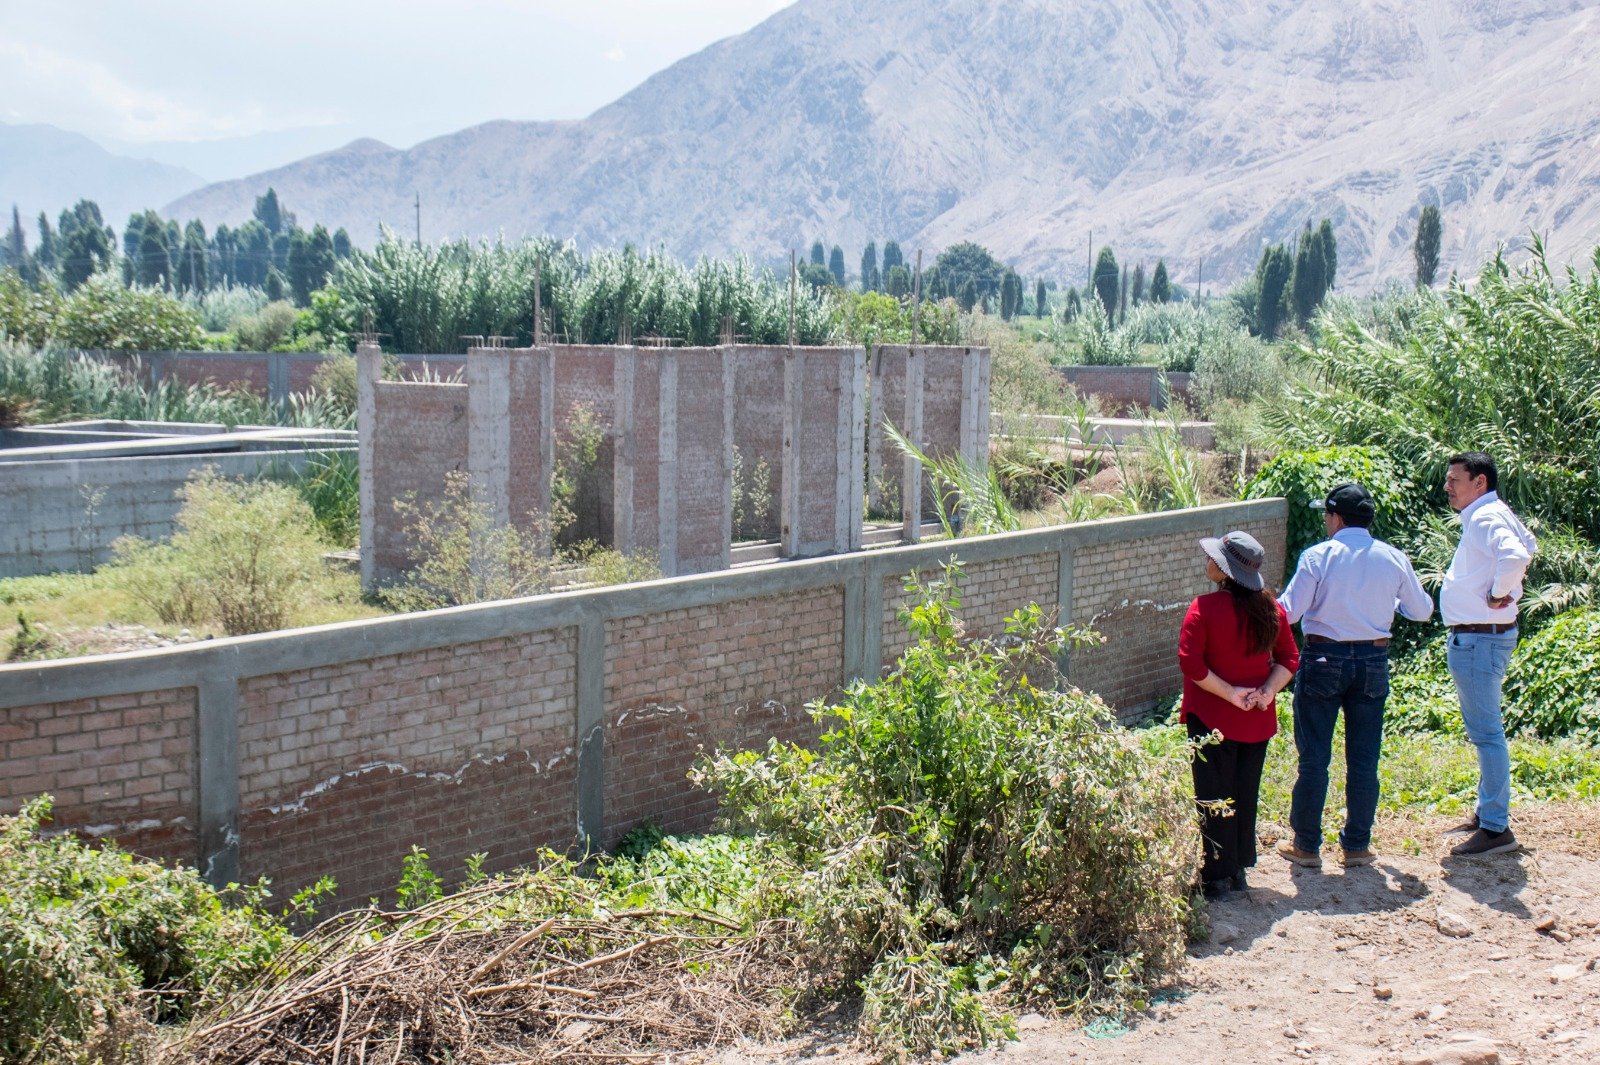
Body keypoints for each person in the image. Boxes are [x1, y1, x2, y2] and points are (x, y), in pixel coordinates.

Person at [1277, 483, 1433, 869]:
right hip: (1373, 660)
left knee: (1314, 756)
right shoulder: (1392, 557)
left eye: (1327, 516)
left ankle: (1307, 845)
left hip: (1323, 658)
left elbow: (1290, 612)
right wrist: (1388, 601)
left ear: (1336, 517)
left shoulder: (1318, 556)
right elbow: (1423, 610)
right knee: (1364, 758)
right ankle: (1357, 845)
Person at [1178, 530, 1299, 897]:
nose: (1208, 561)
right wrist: (1264, 693)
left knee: (1213, 793)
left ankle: (1216, 874)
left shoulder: (1203, 607)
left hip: (1211, 717)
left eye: (1214, 558)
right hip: (1256, 718)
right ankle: (1239, 868)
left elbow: (1190, 663)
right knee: (1245, 791)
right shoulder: (1272, 608)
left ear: (1225, 570)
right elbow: (1290, 659)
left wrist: (1231, 694)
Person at [1439, 452, 1536, 857]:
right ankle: (1487, 815)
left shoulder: (1484, 516)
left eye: (1454, 479)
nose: (1447, 486)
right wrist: (1507, 589)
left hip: (1480, 638)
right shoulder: (1492, 511)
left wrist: (1500, 592)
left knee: (1487, 733)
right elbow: (1528, 543)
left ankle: (1496, 828)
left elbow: (1517, 554)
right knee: (1486, 731)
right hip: (1483, 636)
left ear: (1479, 482)